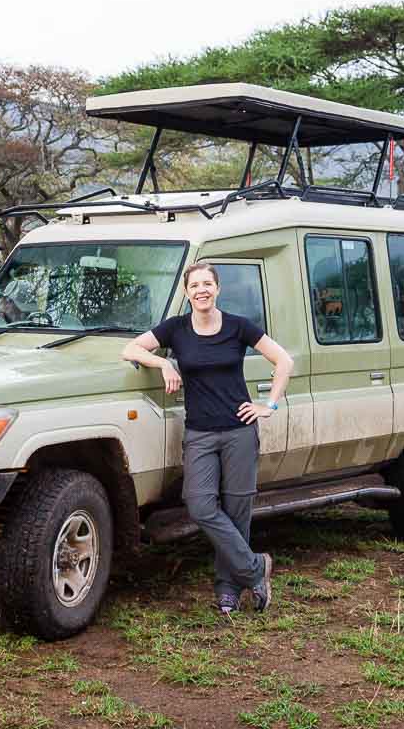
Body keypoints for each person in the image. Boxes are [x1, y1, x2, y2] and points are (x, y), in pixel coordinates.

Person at [121, 261, 294, 615]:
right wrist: (164, 364)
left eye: (207, 284)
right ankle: (256, 568)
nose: (201, 290)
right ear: (187, 293)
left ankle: (228, 589)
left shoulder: (238, 326)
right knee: (200, 505)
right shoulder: (176, 329)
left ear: (217, 289)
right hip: (200, 432)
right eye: (194, 285)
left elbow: (284, 361)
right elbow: (131, 349)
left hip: (239, 432)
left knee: (237, 511)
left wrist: (269, 405)